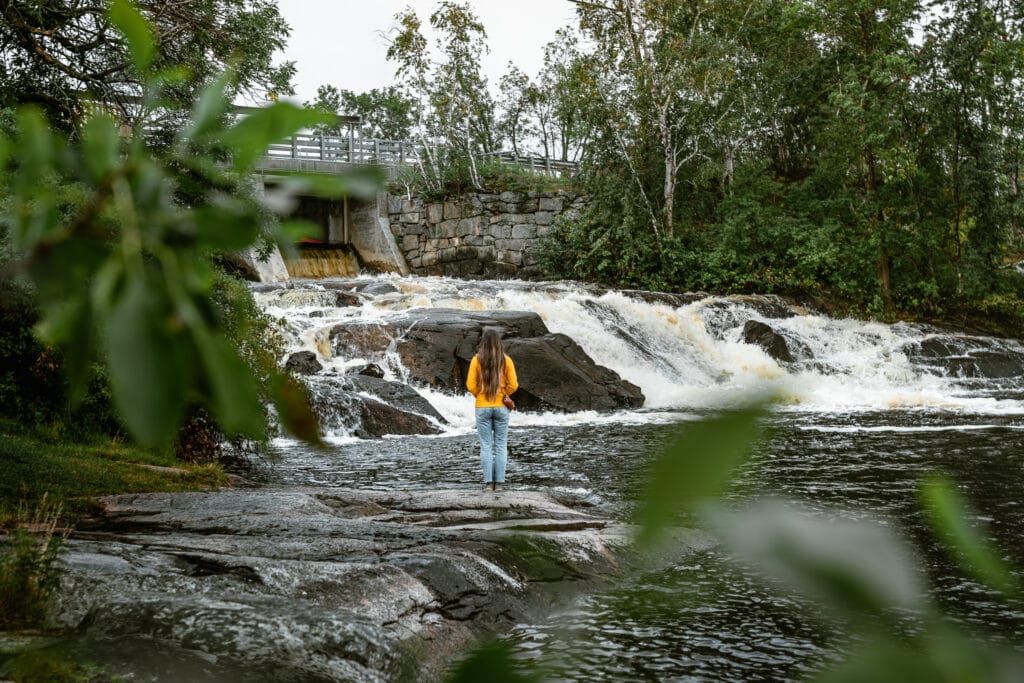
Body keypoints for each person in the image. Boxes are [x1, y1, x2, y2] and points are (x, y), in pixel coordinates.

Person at [466, 329, 518, 492]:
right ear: (499, 343)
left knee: (486, 446)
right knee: (501, 445)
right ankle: (500, 484)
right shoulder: (506, 360)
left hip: (482, 407)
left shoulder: (476, 360)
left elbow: (470, 384)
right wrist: (504, 394)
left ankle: (489, 484)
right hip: (502, 407)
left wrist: (479, 395)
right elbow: (514, 385)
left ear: (483, 343)